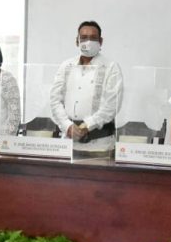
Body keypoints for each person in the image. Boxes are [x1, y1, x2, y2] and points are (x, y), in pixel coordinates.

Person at [49, 21, 123, 152]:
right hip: (68, 142)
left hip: (100, 145)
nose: (88, 42)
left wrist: (87, 125)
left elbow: (112, 105)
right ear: (77, 41)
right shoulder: (66, 66)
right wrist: (67, 125)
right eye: (83, 37)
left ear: (101, 41)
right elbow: (55, 100)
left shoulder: (111, 67)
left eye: (93, 38)